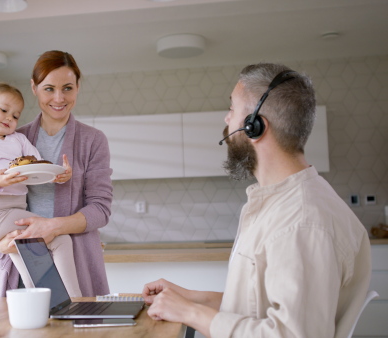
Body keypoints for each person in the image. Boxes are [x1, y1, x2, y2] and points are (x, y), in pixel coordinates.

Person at [142, 63, 371, 337]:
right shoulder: (283, 204)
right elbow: (257, 307)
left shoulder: (302, 221)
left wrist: (191, 313)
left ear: (255, 126)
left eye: (231, 109)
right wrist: (188, 297)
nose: (227, 121)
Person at [0, 50, 114, 298]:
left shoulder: (93, 140)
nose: (59, 98)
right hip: (21, 256)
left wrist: (52, 227)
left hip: (75, 262)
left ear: (78, 87)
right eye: (49, 89)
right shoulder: (14, 140)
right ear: (34, 87)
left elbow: (100, 209)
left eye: (67, 88)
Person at [0, 82, 81, 297]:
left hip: (15, 212)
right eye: (4, 110)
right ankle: (78, 300)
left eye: (15, 116)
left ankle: (45, 305)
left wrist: (60, 175)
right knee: (61, 239)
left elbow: (39, 169)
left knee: (30, 264)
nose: (9, 118)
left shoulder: (19, 140)